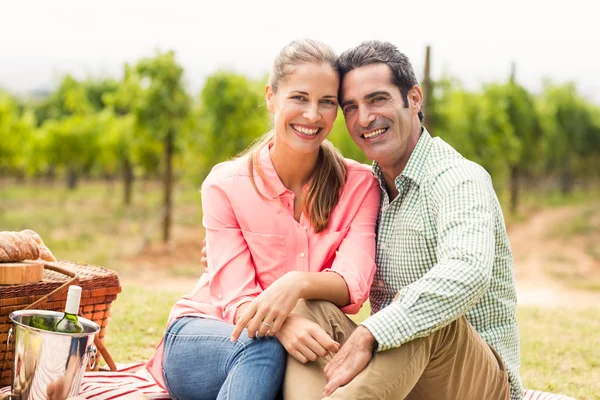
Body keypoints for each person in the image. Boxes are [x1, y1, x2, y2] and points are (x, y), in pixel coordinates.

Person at [203, 41, 523, 400]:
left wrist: (373, 332)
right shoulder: (368, 187)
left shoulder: (456, 178)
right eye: (350, 107)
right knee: (309, 306)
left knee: (422, 317)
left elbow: (468, 271)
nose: (365, 118)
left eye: (378, 99)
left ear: (414, 99)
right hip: (403, 372)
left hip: (474, 382)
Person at [146, 39, 381, 400]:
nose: (312, 115)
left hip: (300, 341)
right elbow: (237, 299)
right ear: (271, 97)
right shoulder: (226, 185)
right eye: (299, 98)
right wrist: (283, 324)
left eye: (327, 102)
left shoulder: (360, 185)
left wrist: (296, 284)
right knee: (262, 347)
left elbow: (353, 287)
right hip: (208, 331)